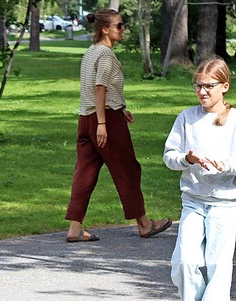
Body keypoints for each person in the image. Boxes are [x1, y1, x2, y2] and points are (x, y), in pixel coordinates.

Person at [163, 57, 236, 301]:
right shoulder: (186, 118)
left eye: (209, 86)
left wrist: (227, 165)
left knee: (219, 266)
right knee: (184, 261)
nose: (202, 91)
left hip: (223, 204)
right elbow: (169, 156)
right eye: (197, 86)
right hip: (193, 202)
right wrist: (186, 159)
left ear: (225, 86)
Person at [65, 8, 171, 243]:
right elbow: (99, 87)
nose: (123, 29)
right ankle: (144, 224)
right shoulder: (105, 55)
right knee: (128, 169)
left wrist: (121, 108)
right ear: (105, 29)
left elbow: (100, 89)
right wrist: (103, 123)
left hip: (86, 119)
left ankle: (74, 228)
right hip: (105, 120)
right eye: (119, 25)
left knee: (85, 172)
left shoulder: (91, 52)